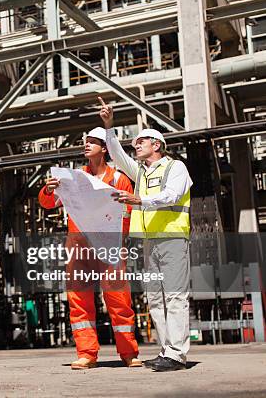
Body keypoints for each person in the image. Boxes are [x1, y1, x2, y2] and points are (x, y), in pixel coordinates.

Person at [99, 96, 192, 372]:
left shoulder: (176, 167)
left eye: (141, 141)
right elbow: (116, 154)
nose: (136, 145)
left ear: (157, 144)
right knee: (154, 297)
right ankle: (167, 350)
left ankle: (177, 354)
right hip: (150, 243)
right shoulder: (139, 172)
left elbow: (172, 195)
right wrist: (109, 126)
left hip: (174, 240)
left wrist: (140, 201)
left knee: (175, 296)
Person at [39, 127, 141, 370]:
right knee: (79, 299)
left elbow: (128, 212)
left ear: (105, 148)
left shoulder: (119, 179)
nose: (86, 145)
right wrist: (49, 189)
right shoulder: (72, 178)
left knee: (119, 299)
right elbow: (48, 203)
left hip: (110, 245)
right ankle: (87, 354)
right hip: (79, 246)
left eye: (93, 142)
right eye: (86, 141)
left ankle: (129, 353)